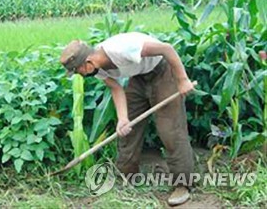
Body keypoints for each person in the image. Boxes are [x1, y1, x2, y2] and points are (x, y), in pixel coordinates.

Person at [60, 32, 195, 206]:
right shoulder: (97, 68)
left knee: (170, 131)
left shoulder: (122, 49)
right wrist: (122, 119)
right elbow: (116, 88)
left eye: (77, 71)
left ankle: (182, 184)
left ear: (88, 63)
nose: (78, 75)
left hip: (162, 71)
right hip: (139, 77)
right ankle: (127, 175)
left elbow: (167, 49)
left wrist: (182, 80)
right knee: (128, 128)